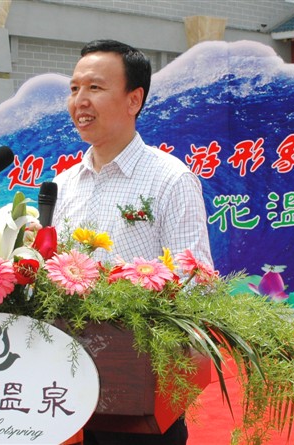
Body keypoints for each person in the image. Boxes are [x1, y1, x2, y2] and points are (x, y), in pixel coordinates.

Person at [52, 40, 213, 445]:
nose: (79, 101)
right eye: (74, 89)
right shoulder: (62, 185)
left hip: (137, 387)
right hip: (63, 388)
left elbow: (194, 283)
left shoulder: (170, 179)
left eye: (94, 88)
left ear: (133, 100)